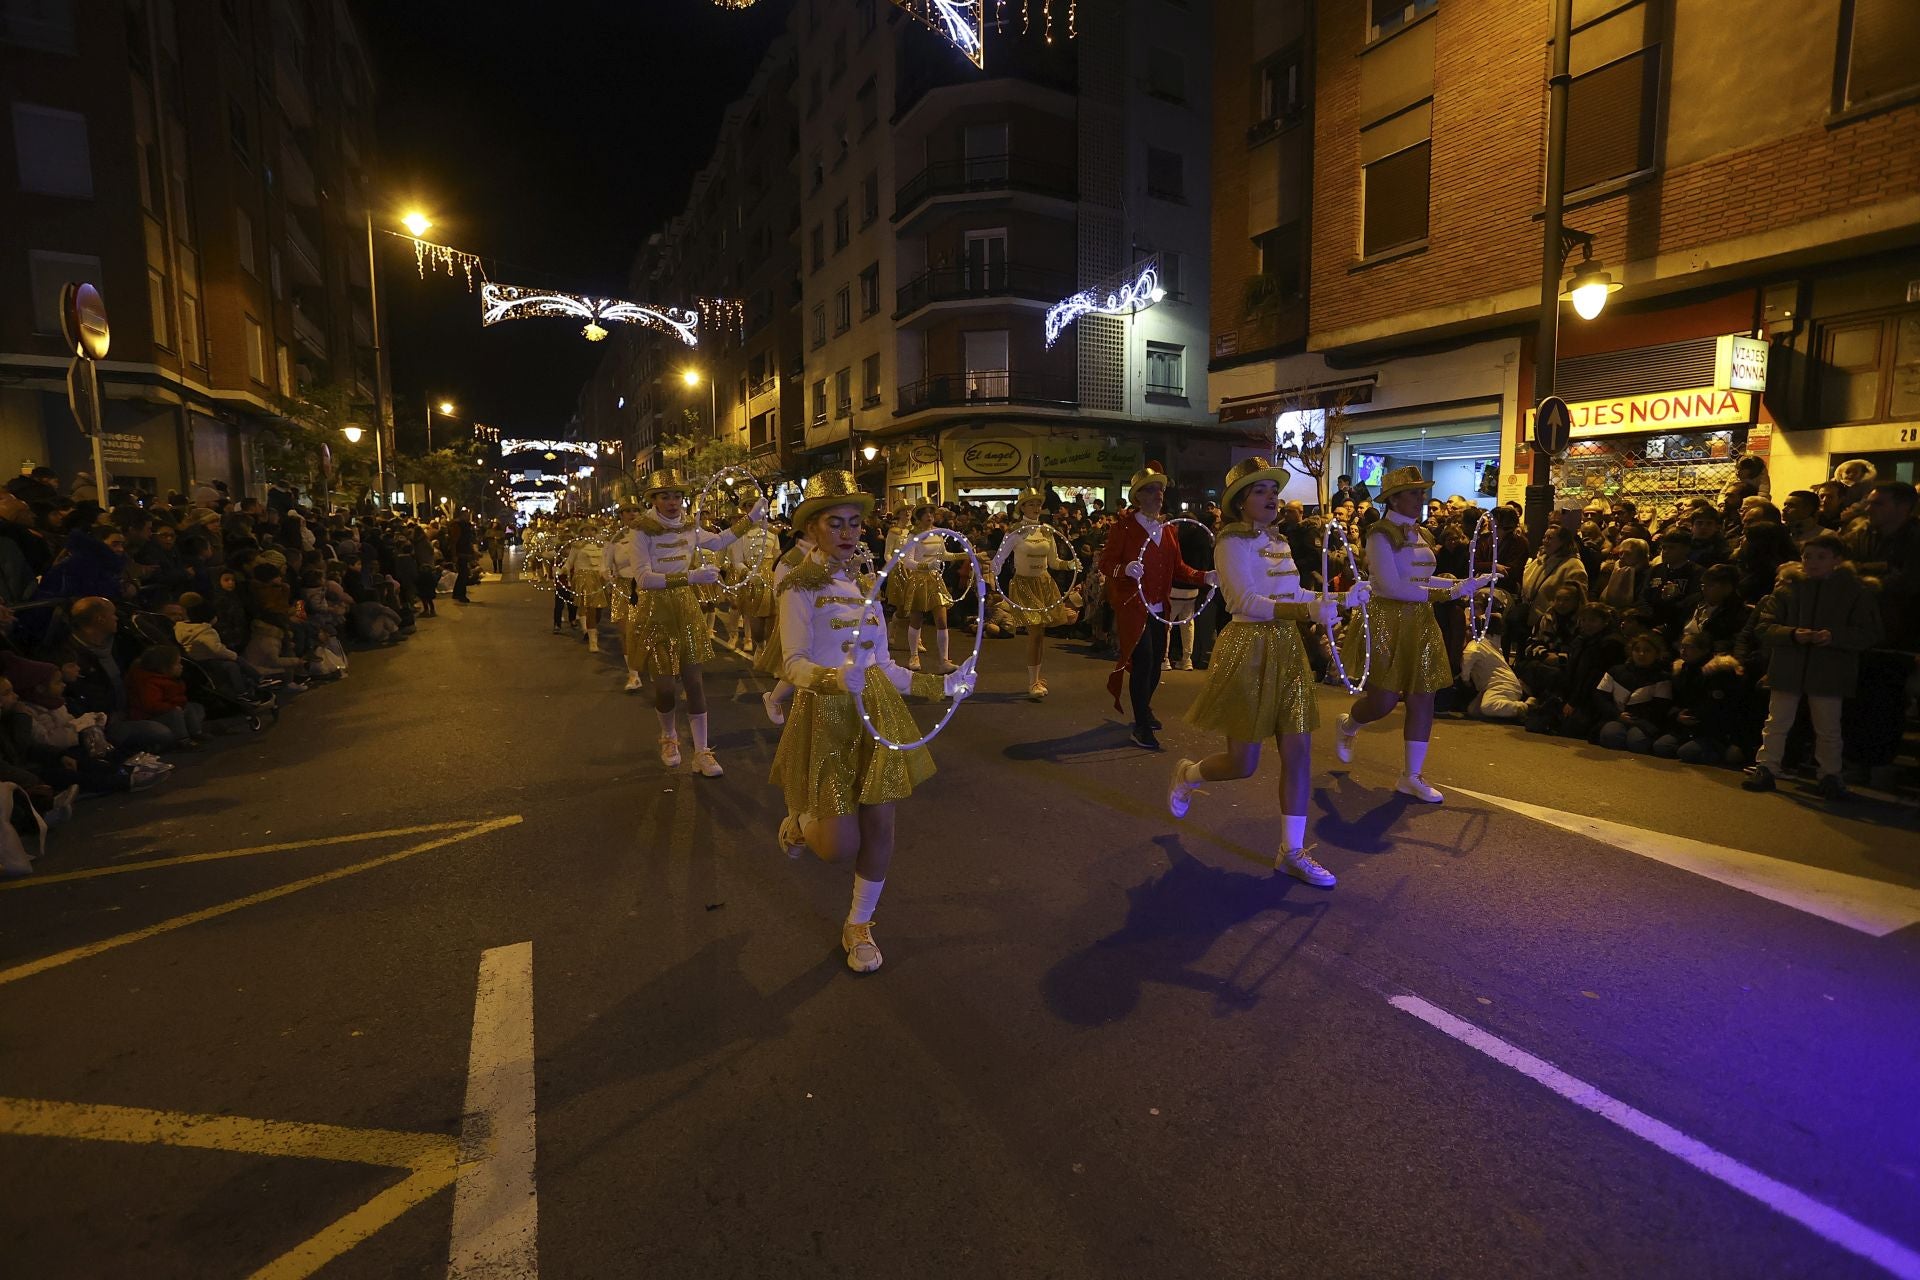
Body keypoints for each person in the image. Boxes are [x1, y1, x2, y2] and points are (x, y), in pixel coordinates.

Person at [769, 470, 974, 973]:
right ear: (812, 529)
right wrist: (834, 679)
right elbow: (792, 661)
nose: (846, 532)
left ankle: (858, 924)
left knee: (880, 824)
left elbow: (884, 666)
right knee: (837, 847)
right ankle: (798, 824)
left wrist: (943, 685)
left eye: (854, 523)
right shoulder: (797, 586)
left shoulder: (867, 585)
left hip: (877, 713)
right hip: (825, 714)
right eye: (834, 522)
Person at [1167, 459, 1357, 886]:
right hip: (1249, 648)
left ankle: (1291, 851)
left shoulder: (1278, 539)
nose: (1271, 496)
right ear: (1239, 501)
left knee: (1300, 752)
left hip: (1288, 649)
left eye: (1273, 488)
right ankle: (1189, 774)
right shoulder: (1230, 542)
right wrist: (1305, 609)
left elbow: (1295, 591)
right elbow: (1244, 601)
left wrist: (1342, 598)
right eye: (1260, 491)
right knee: (1243, 763)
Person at [1333, 466, 1496, 802]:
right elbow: (1391, 586)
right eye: (1415, 492)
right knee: (1384, 700)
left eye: (1422, 492)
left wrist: (1460, 585)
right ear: (1394, 498)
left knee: (1424, 696)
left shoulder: (1421, 533)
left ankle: (1411, 776)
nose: (1422, 498)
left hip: (1420, 619)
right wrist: (1445, 593)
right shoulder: (1380, 533)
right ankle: (1349, 724)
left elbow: (1421, 579)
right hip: (1386, 620)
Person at [628, 468, 766, 777]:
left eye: (677, 495)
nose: (673, 502)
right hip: (656, 610)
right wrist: (692, 576)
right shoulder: (640, 529)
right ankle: (669, 738)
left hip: (685, 609)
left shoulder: (690, 526)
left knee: (694, 682)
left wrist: (752, 519)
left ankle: (702, 752)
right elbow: (643, 578)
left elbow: (718, 542)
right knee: (665, 687)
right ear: (654, 498)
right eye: (666, 496)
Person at [1743, 535, 1882, 798]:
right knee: (1776, 722)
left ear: (1837, 560)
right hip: (1790, 665)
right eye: (1807, 556)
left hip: (1829, 667)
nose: (1812, 562)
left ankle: (1830, 774)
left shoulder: (1855, 592)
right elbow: (1764, 627)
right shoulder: (1788, 589)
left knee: (1827, 726)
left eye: (1821, 557)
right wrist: (1793, 634)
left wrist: (1834, 636)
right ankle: (1767, 766)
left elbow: (1868, 633)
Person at [1097, 465, 1214, 750]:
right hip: (1133, 606)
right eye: (1151, 489)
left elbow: (1179, 568)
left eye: (1161, 489)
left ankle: (1144, 707)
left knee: (1155, 667)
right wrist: (1124, 568)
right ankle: (1140, 723)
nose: (1159, 494)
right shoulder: (1123, 527)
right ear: (1137, 497)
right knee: (1145, 660)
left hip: (1160, 607)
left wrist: (1203, 576)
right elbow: (1105, 563)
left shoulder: (1169, 530)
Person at [989, 487, 1078, 700]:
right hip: (1024, 585)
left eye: (1038, 504)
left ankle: (1036, 678)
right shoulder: (1015, 532)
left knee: (1040, 634)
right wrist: (992, 580)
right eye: (1031, 504)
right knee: (1036, 631)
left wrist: (1070, 565)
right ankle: (1032, 683)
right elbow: (999, 560)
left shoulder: (1047, 530)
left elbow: (1054, 562)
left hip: (1045, 583)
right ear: (1022, 508)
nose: (1036, 508)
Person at [887, 505, 965, 674]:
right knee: (916, 619)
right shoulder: (914, 536)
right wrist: (927, 565)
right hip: (918, 580)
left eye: (931, 513)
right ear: (919, 517)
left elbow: (944, 555)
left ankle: (944, 660)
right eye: (926, 514)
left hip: (935, 580)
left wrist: (966, 555)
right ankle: (914, 656)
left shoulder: (938, 533)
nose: (929, 516)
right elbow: (908, 561)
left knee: (942, 620)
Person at [1594, 631, 1673, 753]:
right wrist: (1617, 715)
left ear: (1656, 654)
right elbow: (1600, 697)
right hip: (1616, 717)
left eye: (1647, 650)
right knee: (1611, 737)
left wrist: (1635, 718)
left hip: (1645, 722)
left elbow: (1660, 707)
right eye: (1637, 650)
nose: (1641, 654)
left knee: (1637, 743)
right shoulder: (1616, 671)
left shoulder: (1662, 678)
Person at [562, 533, 608, 654]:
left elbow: (604, 564)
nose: (590, 532)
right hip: (583, 577)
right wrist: (562, 570)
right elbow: (569, 562)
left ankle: (590, 627)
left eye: (592, 529)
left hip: (598, 579)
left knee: (598, 610)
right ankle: (592, 639)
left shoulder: (601, 546)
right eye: (586, 530)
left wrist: (606, 575)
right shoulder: (577, 546)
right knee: (588, 607)